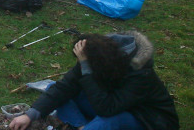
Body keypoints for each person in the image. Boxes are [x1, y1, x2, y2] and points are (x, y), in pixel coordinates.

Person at [9, 31, 180, 130]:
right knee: (54, 88)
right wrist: (30, 115)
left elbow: (107, 109)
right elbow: (64, 87)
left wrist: (87, 68)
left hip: (147, 120)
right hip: (108, 105)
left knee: (110, 120)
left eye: (83, 62)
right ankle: (83, 126)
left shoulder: (140, 75)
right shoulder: (95, 55)